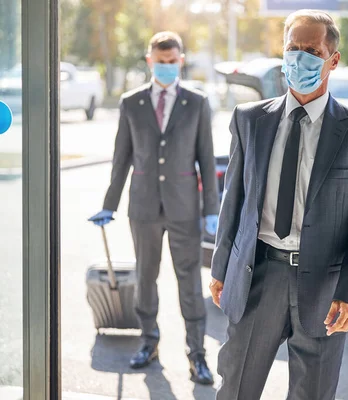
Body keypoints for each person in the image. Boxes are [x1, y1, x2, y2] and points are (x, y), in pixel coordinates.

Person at [210, 10, 348, 400]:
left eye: (312, 50)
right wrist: (221, 265)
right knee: (236, 388)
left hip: (325, 288)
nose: (300, 58)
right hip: (258, 272)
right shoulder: (249, 119)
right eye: (293, 48)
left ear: (333, 60)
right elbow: (235, 198)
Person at [88, 31, 219, 385]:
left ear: (181, 61)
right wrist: (109, 205)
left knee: (189, 283)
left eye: (172, 61)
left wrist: (211, 209)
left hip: (184, 208)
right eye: (160, 62)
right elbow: (122, 158)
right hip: (143, 207)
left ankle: (197, 355)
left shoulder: (196, 102)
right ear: (150, 61)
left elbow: (206, 160)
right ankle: (149, 343)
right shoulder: (132, 103)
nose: (166, 67)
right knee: (146, 278)